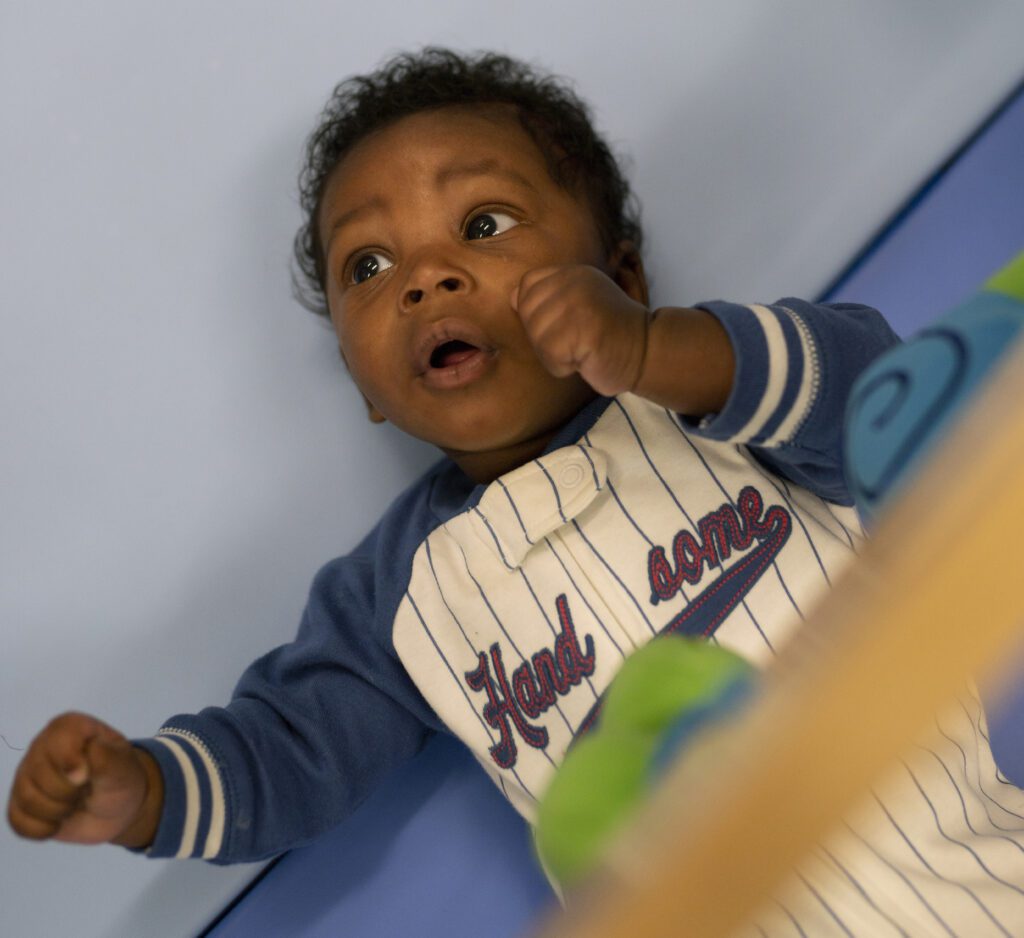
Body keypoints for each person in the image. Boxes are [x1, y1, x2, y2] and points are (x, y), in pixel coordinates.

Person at [11, 48, 1021, 934]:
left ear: (620, 270)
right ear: (362, 384)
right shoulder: (395, 596)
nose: (426, 278)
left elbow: (872, 391)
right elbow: (288, 750)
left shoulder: (703, 397)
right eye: (368, 264)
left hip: (958, 854)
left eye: (483, 222)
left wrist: (653, 346)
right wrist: (140, 790)